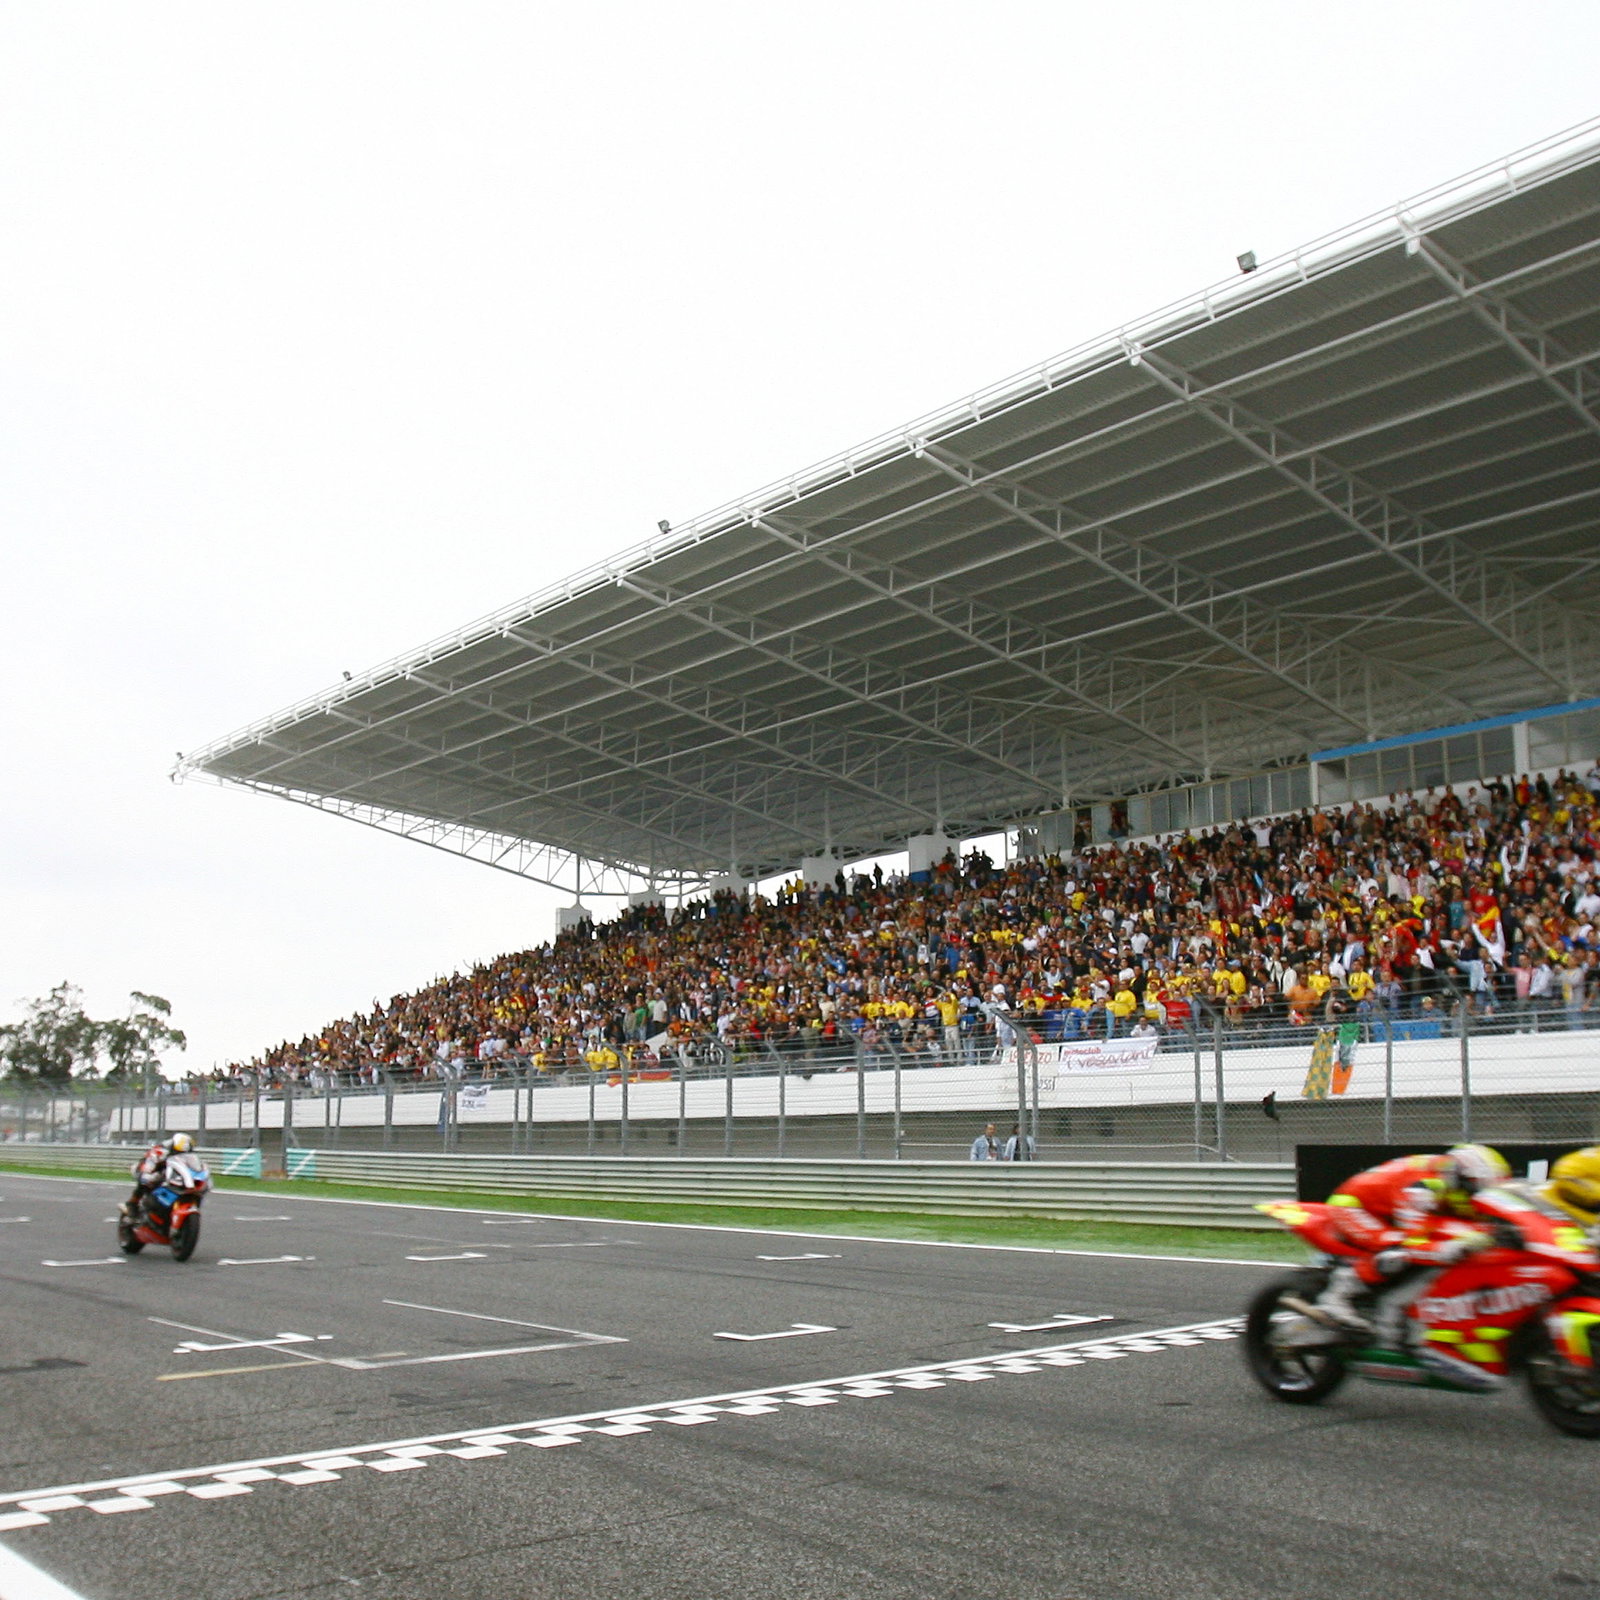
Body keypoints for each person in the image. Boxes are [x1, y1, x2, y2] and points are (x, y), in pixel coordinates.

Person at [1314, 1144, 1511, 1346]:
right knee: (1396, 1249)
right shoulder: (1421, 1188)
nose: (1478, 1200)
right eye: (1475, 1192)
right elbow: (1414, 1244)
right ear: (1458, 1180)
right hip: (1354, 1207)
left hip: (1388, 1208)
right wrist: (1450, 1249)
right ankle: (1337, 1297)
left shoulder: (1448, 1176)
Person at [125, 1132, 196, 1227]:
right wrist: (149, 1174)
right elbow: (148, 1166)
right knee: (145, 1181)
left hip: (171, 1172)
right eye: (179, 1153)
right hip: (151, 1167)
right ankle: (132, 1204)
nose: (182, 1155)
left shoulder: (188, 1154)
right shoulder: (160, 1151)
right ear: (174, 1148)